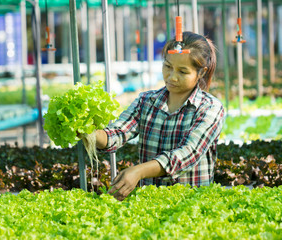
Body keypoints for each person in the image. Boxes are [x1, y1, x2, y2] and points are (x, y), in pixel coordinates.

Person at [96, 31, 225, 201]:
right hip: (149, 205)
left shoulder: (210, 108)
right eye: (168, 67)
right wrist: (89, 133)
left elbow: (188, 153)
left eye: (183, 72)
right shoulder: (146, 101)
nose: (172, 77)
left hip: (192, 205)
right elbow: (116, 134)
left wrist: (139, 171)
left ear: (201, 73)